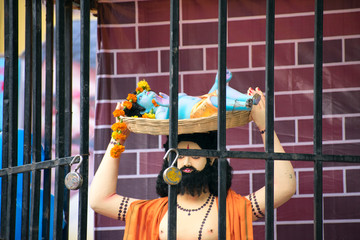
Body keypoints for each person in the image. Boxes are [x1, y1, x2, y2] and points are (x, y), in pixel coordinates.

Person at [89, 88, 296, 240]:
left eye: (195, 155)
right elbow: (99, 200)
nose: (186, 161)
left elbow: (284, 187)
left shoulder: (233, 209)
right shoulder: (152, 211)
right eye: (178, 156)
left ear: (212, 158)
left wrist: (265, 127)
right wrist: (118, 139)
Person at [124, 70, 260, 119]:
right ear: (144, 111)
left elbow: (206, 96)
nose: (144, 92)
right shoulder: (159, 110)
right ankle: (245, 105)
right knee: (213, 100)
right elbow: (164, 122)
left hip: (202, 101)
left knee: (219, 91)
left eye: (143, 91)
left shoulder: (165, 101)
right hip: (196, 112)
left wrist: (217, 82)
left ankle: (249, 98)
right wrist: (169, 105)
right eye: (141, 97)